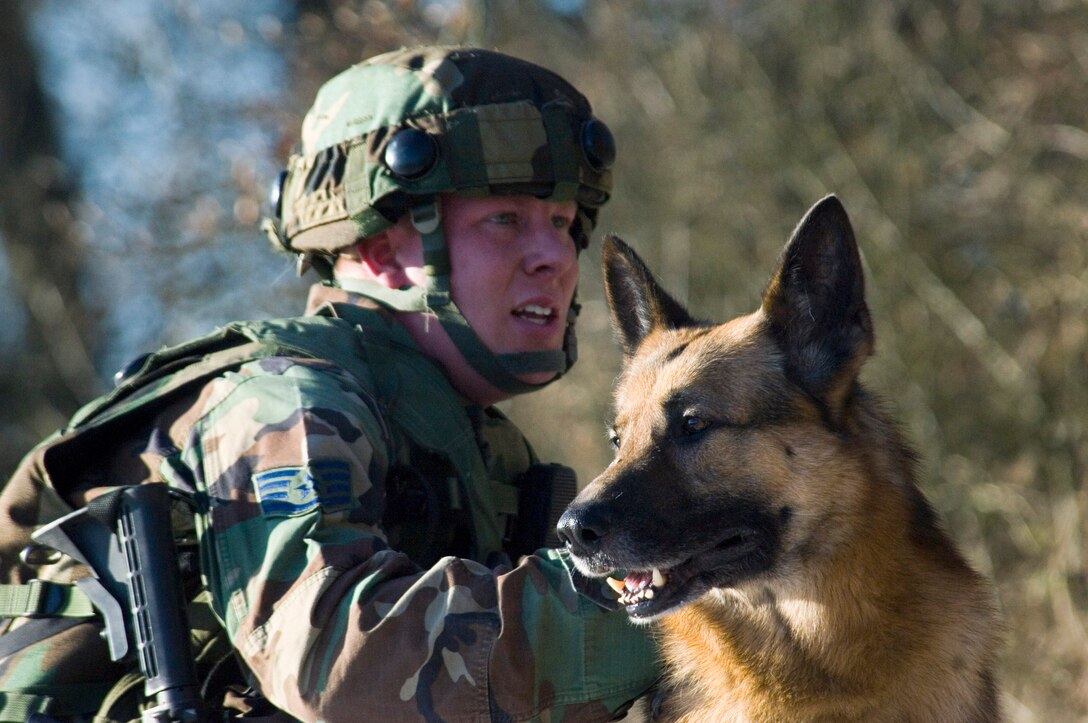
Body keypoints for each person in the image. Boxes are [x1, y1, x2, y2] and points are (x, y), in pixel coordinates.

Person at [0, 46, 660, 721]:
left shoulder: (477, 447)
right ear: (377, 247)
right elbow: (346, 664)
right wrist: (668, 603)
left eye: (560, 222)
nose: (555, 256)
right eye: (505, 220)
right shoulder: (285, 404)